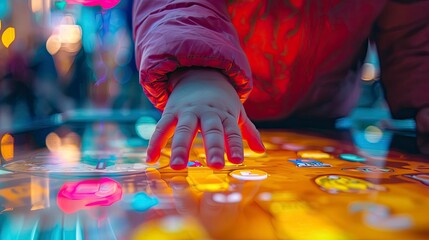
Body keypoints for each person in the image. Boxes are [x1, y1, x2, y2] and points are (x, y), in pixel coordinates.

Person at [132, 0, 429, 170]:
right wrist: (198, 71)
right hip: (209, 109)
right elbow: (179, 5)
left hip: (321, 120)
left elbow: (412, 30)